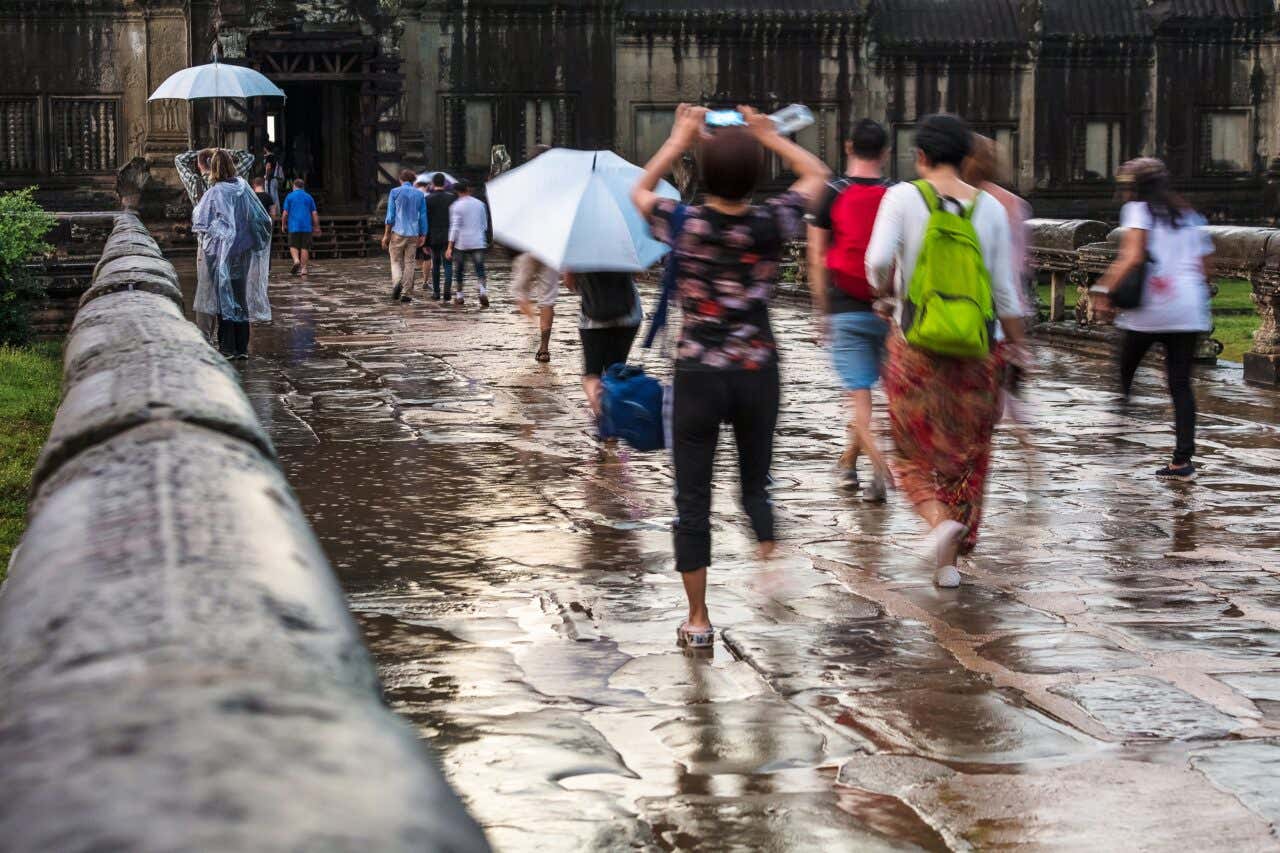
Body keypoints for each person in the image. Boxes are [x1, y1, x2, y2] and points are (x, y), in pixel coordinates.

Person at [632, 104, 830, 649]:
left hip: (697, 372)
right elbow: (818, 179)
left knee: (691, 499)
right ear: (757, 176)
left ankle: (697, 620)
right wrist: (770, 137)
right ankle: (768, 552)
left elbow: (639, 193)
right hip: (756, 371)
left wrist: (678, 140)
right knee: (755, 482)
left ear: (705, 172)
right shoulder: (771, 222)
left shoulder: (684, 222)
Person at [865, 113, 1028, 589]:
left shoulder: (902, 197)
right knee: (968, 455)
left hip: (915, 345)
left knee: (911, 451)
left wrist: (886, 294)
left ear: (919, 156)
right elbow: (1004, 292)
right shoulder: (991, 208)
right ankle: (949, 564)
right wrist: (1017, 345)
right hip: (979, 350)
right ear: (965, 157)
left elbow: (876, 261)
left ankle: (938, 524)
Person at [1093, 157, 1212, 482]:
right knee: (1180, 385)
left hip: (1151, 307)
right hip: (1189, 307)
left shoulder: (1138, 210)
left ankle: (1123, 418)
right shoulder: (1188, 214)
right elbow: (1205, 267)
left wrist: (1104, 290)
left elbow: (1130, 256)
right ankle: (1182, 460)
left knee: (1125, 367)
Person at [806, 118, 894, 501]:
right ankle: (847, 463)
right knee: (880, 400)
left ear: (847, 147)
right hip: (891, 307)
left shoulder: (830, 194)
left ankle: (878, 468)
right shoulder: (899, 194)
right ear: (886, 152)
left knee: (859, 398)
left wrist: (820, 311)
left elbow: (815, 257)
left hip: (845, 306)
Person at [191, 149, 272, 360]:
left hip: (219, 254)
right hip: (242, 250)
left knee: (222, 298)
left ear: (213, 169)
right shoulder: (244, 189)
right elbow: (263, 220)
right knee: (239, 295)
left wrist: (223, 234)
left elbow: (201, 222)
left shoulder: (214, 192)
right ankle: (242, 347)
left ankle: (228, 347)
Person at [176, 147, 254, 344]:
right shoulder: (239, 184)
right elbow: (247, 157)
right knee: (236, 291)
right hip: (236, 246)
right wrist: (220, 151)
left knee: (208, 291)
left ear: (204, 166)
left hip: (209, 247)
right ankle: (238, 345)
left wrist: (203, 154)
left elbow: (180, 159)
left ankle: (206, 337)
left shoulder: (199, 185)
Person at [564, 270, 642, 415]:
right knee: (615, 369)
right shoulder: (627, 247)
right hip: (628, 316)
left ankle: (603, 417)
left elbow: (569, 283)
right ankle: (613, 417)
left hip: (592, 319)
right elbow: (638, 274)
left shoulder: (577, 248)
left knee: (592, 374)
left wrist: (586, 288)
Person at [512, 145, 558, 360]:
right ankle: (544, 347)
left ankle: (531, 327)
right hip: (552, 246)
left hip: (529, 244)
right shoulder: (561, 185)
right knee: (547, 299)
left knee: (520, 291)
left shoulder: (524, 183)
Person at [382, 168, 429, 303]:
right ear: (413, 180)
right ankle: (407, 292)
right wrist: (423, 234)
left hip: (398, 232)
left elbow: (390, 216)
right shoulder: (420, 195)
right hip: (413, 233)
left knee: (396, 260)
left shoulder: (395, 192)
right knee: (410, 262)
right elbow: (423, 216)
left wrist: (386, 235)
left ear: (400, 180)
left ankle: (397, 282)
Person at [446, 181, 490, 307]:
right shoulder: (480, 204)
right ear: (468, 189)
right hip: (478, 241)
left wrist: (449, 246)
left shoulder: (455, 206)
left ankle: (460, 296)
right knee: (479, 268)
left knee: (459, 269)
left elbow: (454, 227)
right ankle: (482, 291)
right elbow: (484, 224)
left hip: (462, 242)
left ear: (456, 191)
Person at [425, 173, 457, 301]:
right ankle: (447, 292)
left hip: (433, 236)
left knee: (436, 264)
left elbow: (426, 220)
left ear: (433, 183)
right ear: (444, 183)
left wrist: (425, 241)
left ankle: (436, 292)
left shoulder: (428, 199)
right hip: (448, 236)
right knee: (448, 264)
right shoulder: (452, 198)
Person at [281, 178, 320, 277]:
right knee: (304, 247)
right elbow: (314, 213)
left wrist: (283, 224)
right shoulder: (309, 197)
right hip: (307, 227)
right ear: (303, 186)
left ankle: (296, 260)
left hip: (293, 226)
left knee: (293, 245)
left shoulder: (289, 197)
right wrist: (316, 226)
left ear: (294, 186)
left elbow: (285, 213)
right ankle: (304, 269)